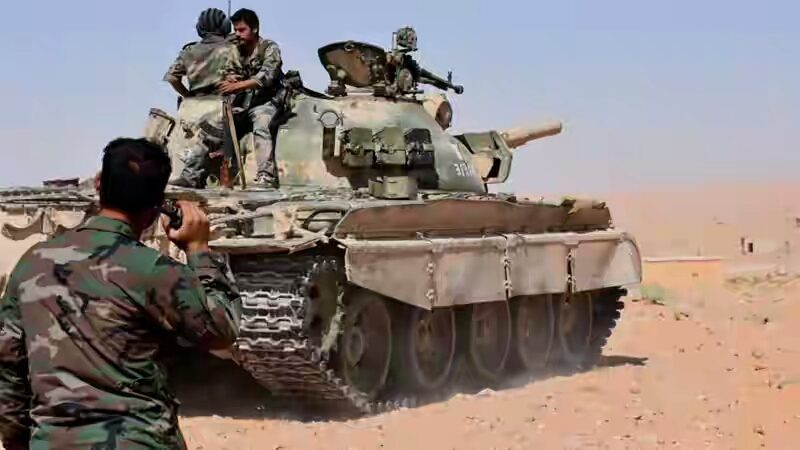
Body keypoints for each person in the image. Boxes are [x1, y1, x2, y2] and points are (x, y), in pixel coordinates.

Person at [0, 138, 240, 449]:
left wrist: (19, 441)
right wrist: (198, 250)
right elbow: (220, 331)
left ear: (99, 183)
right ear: (156, 207)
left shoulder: (33, 263)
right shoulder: (155, 271)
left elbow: (8, 363)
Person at [164, 8, 239, 188]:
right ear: (225, 27)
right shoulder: (232, 49)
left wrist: (187, 95)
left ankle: (189, 176)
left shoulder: (189, 51)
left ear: (200, 28)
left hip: (191, 108)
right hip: (220, 105)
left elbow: (172, 77)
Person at [219, 8, 284, 187]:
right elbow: (228, 71)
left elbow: (267, 77)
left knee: (262, 124)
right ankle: (226, 176)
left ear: (254, 28)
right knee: (221, 126)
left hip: (268, 100)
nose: (237, 34)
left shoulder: (269, 48)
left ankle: (266, 175)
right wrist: (230, 78)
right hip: (244, 102)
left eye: (242, 30)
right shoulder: (236, 50)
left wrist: (237, 85)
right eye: (235, 30)